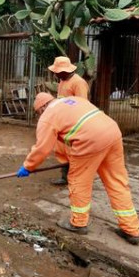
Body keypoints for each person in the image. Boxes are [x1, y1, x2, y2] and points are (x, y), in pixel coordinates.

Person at [16, 92, 139, 245]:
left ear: (42, 107)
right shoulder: (71, 100)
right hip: (112, 132)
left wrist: (28, 166)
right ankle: (131, 229)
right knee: (117, 182)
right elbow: (66, 137)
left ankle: (78, 223)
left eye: (38, 113)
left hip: (90, 140)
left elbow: (42, 148)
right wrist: (67, 159)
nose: (39, 116)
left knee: (79, 181)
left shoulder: (48, 116)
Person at [48, 56, 90, 186]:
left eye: (57, 72)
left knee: (73, 152)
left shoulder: (78, 82)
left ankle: (75, 177)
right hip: (63, 122)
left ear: (64, 71)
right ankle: (65, 176)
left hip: (74, 123)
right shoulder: (62, 80)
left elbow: (82, 104)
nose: (55, 74)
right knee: (62, 150)